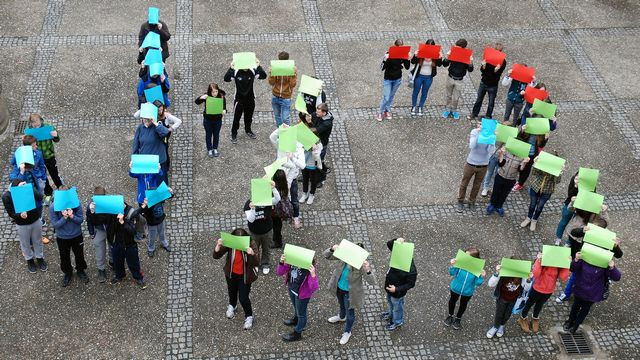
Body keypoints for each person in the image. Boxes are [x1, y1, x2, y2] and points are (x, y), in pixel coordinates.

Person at [324, 242, 375, 345]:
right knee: (341, 305)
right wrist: (332, 248)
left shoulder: (360, 265)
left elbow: (372, 281)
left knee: (350, 313)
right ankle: (341, 317)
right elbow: (326, 255)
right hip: (338, 288)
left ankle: (347, 331)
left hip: (350, 293)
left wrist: (368, 269)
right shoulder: (343, 256)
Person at [212, 228, 260, 330]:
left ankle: (249, 316)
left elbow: (256, 262)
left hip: (245, 276)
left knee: (243, 298)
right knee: (231, 291)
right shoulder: (230, 243)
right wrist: (218, 246)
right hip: (231, 274)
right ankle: (232, 305)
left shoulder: (251, 244)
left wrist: (251, 254)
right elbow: (216, 256)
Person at [563, 254, 621, 334]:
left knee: (584, 310)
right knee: (575, 306)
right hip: (580, 289)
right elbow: (572, 268)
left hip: (592, 293)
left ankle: (575, 325)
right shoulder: (584, 258)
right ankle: (570, 321)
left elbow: (617, 277)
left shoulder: (604, 264)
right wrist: (576, 260)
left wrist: (612, 267)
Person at [516, 253, 569, 333]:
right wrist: (539, 260)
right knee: (529, 304)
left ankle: (535, 317)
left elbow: (563, 277)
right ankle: (522, 318)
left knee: (540, 305)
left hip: (548, 291)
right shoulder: (544, 261)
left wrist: (566, 264)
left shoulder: (558, 265)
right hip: (536, 289)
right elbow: (536, 274)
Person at [2, 179, 47, 273]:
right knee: (25, 243)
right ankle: (29, 260)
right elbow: (11, 213)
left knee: (38, 241)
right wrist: (19, 215)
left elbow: (40, 197)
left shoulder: (28, 189)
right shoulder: (7, 196)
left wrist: (30, 188)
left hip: (35, 220)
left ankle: (39, 258)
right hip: (22, 224)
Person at [50, 185, 87, 287]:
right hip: (62, 237)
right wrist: (64, 218)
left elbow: (80, 220)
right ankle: (67, 273)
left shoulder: (76, 203)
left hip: (76, 235)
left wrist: (72, 216)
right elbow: (55, 225)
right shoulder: (53, 207)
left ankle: (80, 270)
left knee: (79, 255)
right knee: (64, 257)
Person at [269, 124, 305, 229]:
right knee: (276, 196)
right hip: (278, 176)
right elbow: (272, 137)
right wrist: (280, 129)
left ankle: (295, 217)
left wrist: (292, 157)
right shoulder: (281, 144)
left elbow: (302, 166)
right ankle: (280, 212)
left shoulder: (299, 148)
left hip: (291, 178)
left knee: (294, 199)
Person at [223, 58, 267, 143]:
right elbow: (226, 79)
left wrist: (258, 66)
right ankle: (234, 134)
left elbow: (263, 76)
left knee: (249, 117)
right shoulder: (236, 71)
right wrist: (231, 68)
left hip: (250, 99)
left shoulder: (252, 71)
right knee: (236, 118)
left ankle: (248, 130)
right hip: (239, 100)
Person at [278, 254, 319, 342]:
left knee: (301, 313)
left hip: (302, 295)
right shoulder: (292, 262)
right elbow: (280, 272)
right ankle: (296, 319)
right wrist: (281, 262)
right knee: (296, 307)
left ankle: (298, 332)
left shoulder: (309, 268)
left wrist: (313, 274)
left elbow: (314, 287)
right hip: (292, 289)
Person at [457, 121, 496, 212]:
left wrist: (492, 139)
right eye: (479, 124)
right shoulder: (474, 132)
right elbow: (472, 145)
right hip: (471, 163)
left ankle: (472, 201)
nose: (480, 126)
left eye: (482, 124)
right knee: (464, 183)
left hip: (483, 165)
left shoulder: (490, 134)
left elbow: (491, 151)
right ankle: (460, 201)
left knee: (477, 185)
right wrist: (479, 133)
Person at [486, 262, 532, 338]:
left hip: (513, 300)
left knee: (507, 314)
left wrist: (528, 280)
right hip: (502, 298)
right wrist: (497, 273)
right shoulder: (504, 273)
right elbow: (491, 284)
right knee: (499, 314)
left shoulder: (521, 276)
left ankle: (502, 326)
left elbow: (526, 288)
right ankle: (495, 327)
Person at [244, 182, 281, 275]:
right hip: (254, 232)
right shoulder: (248, 204)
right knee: (254, 249)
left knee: (266, 248)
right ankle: (255, 264)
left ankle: (265, 264)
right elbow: (251, 219)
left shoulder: (266, 200)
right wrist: (252, 208)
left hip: (267, 231)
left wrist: (273, 188)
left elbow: (277, 199)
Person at [107, 202, 147, 289]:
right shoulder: (112, 212)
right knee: (117, 261)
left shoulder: (131, 213)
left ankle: (138, 277)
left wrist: (123, 222)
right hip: (117, 242)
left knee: (133, 262)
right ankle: (119, 276)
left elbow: (132, 231)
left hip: (129, 244)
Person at [381, 238, 417, 331]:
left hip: (398, 293)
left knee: (397, 307)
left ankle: (397, 321)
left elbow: (411, 284)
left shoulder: (411, 269)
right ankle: (390, 314)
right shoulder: (398, 255)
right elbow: (389, 244)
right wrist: (397, 240)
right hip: (389, 288)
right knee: (390, 302)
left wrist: (396, 289)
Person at [444, 248, 485, 330]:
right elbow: (451, 273)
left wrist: (481, 276)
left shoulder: (477, 268)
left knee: (463, 304)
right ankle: (450, 315)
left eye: (467, 256)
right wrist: (452, 265)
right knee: (452, 301)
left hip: (467, 291)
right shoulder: (461, 262)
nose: (464, 257)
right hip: (455, 288)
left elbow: (478, 283)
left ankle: (458, 318)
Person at [520, 153, 563, 232]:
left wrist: (559, 173)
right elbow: (534, 173)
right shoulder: (543, 163)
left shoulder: (556, 168)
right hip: (535, 186)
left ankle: (534, 220)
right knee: (532, 205)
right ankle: (529, 218)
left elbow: (557, 181)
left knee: (539, 207)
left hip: (547, 190)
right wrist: (536, 164)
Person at [27, 114, 63, 204]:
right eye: (33, 124)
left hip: (49, 155)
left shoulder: (48, 126)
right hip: (37, 158)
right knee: (43, 176)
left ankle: (60, 188)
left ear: (41, 120)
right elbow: (27, 144)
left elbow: (57, 139)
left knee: (54, 173)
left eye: (37, 123)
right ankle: (48, 192)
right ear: (31, 123)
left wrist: (55, 135)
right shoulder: (29, 130)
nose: (36, 126)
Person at [135, 101, 182, 170]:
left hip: (164, 136)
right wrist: (145, 107)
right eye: (158, 110)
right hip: (154, 136)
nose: (160, 111)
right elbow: (136, 115)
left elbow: (179, 121)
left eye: (161, 109)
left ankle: (165, 166)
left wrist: (170, 129)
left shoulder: (166, 116)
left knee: (165, 149)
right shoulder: (150, 115)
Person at [486, 142, 529, 216]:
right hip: (500, 176)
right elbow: (500, 164)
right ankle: (492, 204)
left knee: (504, 193)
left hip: (511, 179)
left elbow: (520, 170)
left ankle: (499, 206)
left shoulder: (522, 157)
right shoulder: (507, 153)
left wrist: (524, 163)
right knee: (496, 191)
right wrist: (501, 154)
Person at [469, 43, 506, 121]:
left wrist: (496, 70)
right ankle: (474, 113)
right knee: (479, 99)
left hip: (493, 85)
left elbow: (498, 75)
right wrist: (483, 66)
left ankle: (488, 116)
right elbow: (482, 70)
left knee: (491, 102)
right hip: (484, 82)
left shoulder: (503, 61)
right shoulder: (488, 56)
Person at [131, 111, 170, 185]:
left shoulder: (158, 127)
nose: (146, 121)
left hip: (159, 161)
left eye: (148, 119)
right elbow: (135, 145)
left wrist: (155, 123)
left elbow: (165, 132)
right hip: (147, 161)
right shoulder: (140, 128)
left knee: (160, 182)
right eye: (144, 119)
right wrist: (135, 160)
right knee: (148, 183)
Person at [377, 39, 410, 121]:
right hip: (388, 79)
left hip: (397, 79)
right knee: (386, 97)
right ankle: (380, 112)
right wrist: (385, 60)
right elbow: (381, 68)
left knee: (391, 96)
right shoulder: (389, 54)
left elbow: (407, 67)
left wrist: (407, 58)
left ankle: (387, 110)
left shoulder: (402, 55)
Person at [408, 39, 442, 116]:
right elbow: (413, 62)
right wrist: (415, 55)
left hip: (429, 77)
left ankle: (420, 107)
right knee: (415, 92)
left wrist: (440, 58)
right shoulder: (421, 52)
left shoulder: (435, 54)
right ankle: (413, 106)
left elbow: (440, 64)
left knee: (424, 92)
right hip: (419, 76)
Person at [442, 38, 474, 120]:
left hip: (459, 79)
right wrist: (447, 57)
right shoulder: (453, 52)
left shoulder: (467, 55)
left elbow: (470, 70)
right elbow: (445, 64)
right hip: (450, 77)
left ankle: (454, 110)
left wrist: (470, 63)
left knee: (456, 97)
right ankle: (447, 109)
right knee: (448, 95)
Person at [87, 186, 112, 283]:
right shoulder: (91, 206)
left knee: (112, 246)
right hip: (99, 229)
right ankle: (101, 269)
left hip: (110, 229)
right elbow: (89, 220)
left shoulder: (109, 203)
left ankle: (112, 261)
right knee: (99, 250)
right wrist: (91, 232)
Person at [195, 83, 226, 157]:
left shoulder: (221, 97)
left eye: (216, 91)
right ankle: (209, 149)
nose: (214, 93)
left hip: (218, 120)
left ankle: (215, 148)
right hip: (208, 120)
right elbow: (197, 102)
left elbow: (224, 107)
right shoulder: (207, 96)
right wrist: (202, 97)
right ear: (209, 91)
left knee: (216, 134)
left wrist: (224, 110)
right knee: (208, 135)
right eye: (213, 92)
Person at [268, 51, 298, 127]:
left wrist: (293, 75)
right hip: (275, 96)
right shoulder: (275, 68)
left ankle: (286, 133)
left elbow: (292, 85)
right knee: (277, 117)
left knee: (285, 118)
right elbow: (271, 83)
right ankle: (280, 132)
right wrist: (271, 74)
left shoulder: (291, 69)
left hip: (286, 97)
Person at [311, 103, 333, 187]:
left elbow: (315, 131)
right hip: (314, 143)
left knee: (319, 161)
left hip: (321, 144)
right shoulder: (318, 114)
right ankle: (310, 175)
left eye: (318, 112)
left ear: (324, 113)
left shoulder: (327, 123)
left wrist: (309, 122)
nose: (316, 113)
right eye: (316, 111)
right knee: (311, 160)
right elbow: (311, 115)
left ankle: (320, 179)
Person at [554, 171, 579, 245]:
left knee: (576, 225)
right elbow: (570, 194)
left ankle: (569, 242)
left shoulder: (591, 185)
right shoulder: (573, 179)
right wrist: (576, 186)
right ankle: (558, 238)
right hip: (570, 204)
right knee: (563, 222)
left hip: (580, 208)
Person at [299, 129, 323, 205]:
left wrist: (314, 149)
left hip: (313, 166)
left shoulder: (319, 145)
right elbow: (299, 151)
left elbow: (317, 157)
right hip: (304, 164)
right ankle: (304, 193)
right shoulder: (304, 142)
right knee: (305, 180)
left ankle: (311, 194)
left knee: (313, 181)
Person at [270, 169, 291, 249]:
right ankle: (277, 240)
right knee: (277, 227)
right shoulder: (285, 186)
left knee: (276, 228)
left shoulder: (276, 189)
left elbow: (274, 200)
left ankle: (278, 242)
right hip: (279, 212)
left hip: (275, 212)